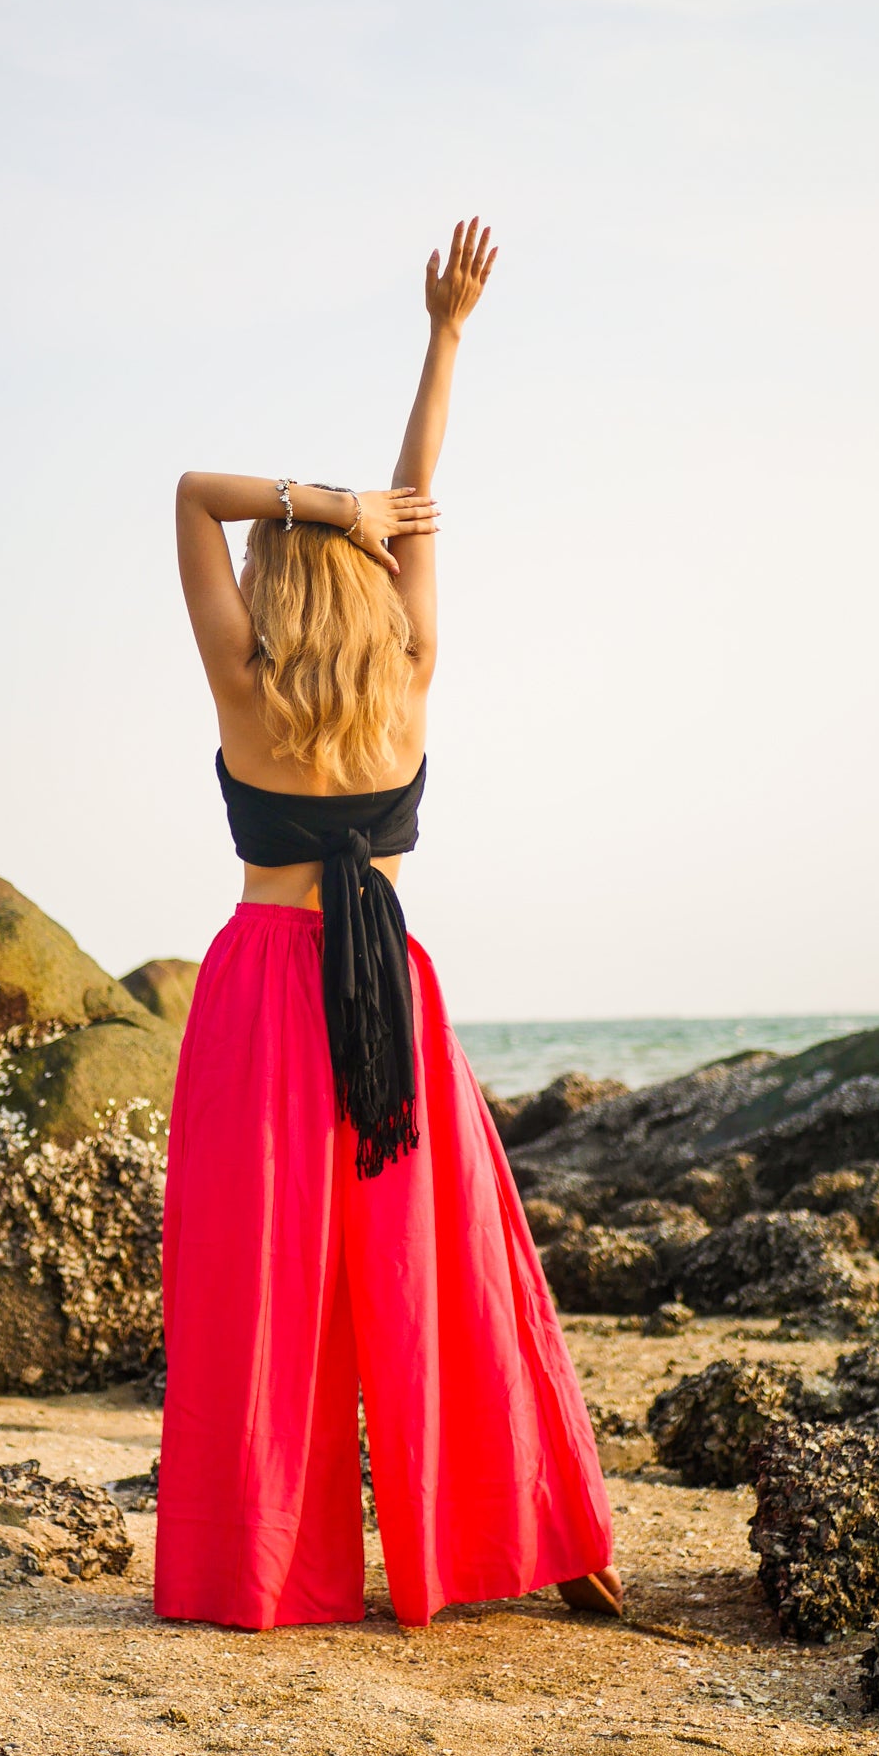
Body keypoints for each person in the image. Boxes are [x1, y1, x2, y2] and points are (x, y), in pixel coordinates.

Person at [157, 218, 621, 1631]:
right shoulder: (411, 670)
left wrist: (321, 503)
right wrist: (446, 337)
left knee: (261, 1289)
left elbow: (191, 491)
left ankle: (261, 1570)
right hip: (388, 997)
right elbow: (420, 499)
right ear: (376, 577)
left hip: (258, 990)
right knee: (443, 1281)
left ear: (280, 576)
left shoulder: (244, 678)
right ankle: (514, 1536)